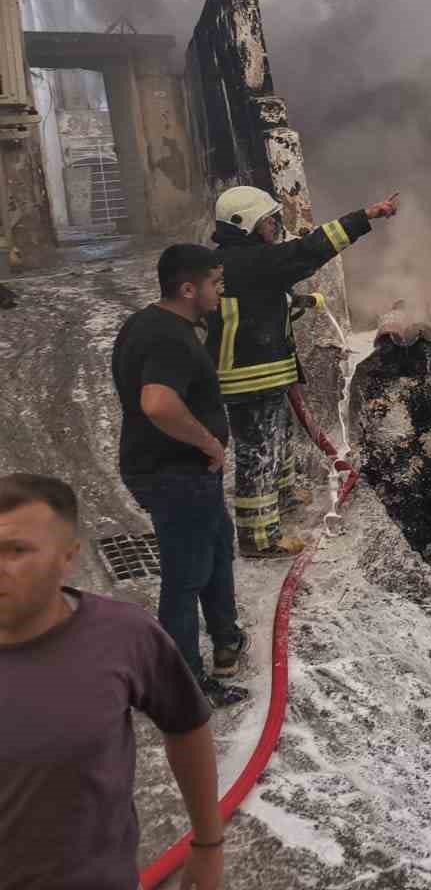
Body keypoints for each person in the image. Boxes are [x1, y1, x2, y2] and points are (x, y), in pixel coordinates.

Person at [0, 474, 227, 890]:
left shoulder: (125, 635)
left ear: (68, 557)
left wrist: (209, 843)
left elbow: (186, 725)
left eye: (16, 550)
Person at [207, 185, 398, 558]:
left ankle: (285, 493)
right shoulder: (260, 261)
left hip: (254, 372)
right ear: (246, 223)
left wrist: (299, 301)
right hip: (254, 375)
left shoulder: (228, 261)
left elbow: (254, 296)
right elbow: (313, 249)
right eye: (269, 220)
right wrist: (367, 216)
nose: (276, 225)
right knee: (259, 452)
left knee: (277, 436)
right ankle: (259, 537)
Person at [113, 244, 250, 707]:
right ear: (188, 288)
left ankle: (226, 638)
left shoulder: (149, 323)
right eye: (214, 283)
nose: (220, 290)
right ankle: (184, 684)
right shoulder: (168, 337)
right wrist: (209, 443)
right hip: (175, 475)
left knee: (215, 547)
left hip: (185, 474)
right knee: (185, 576)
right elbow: (157, 402)